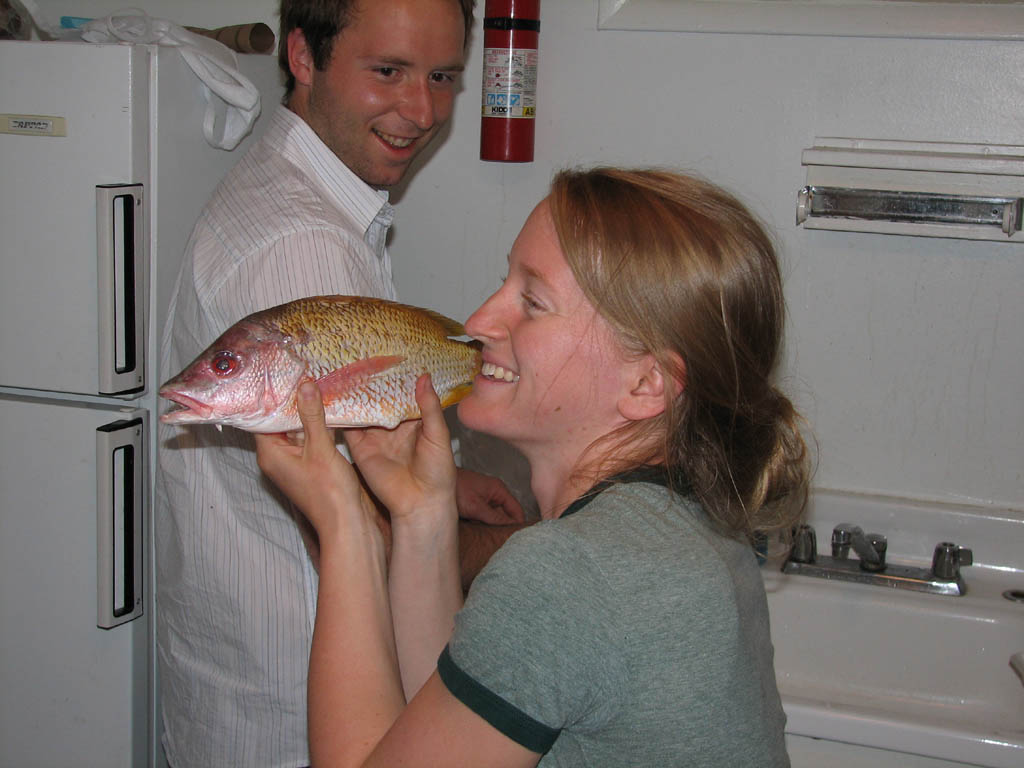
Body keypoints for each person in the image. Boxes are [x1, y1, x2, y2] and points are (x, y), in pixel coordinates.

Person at [255, 166, 812, 766]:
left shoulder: (574, 571)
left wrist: (346, 524)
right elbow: (451, 727)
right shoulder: (691, 524)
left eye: (533, 301)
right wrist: (421, 514)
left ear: (647, 382)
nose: (477, 323)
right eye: (504, 282)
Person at [156, 2, 525, 766]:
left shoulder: (292, 189)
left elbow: (343, 437)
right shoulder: (304, 246)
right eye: (387, 71)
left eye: (443, 76)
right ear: (303, 54)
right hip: (300, 716)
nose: (421, 111)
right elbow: (379, 539)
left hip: (241, 689)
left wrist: (449, 484)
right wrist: (532, 550)